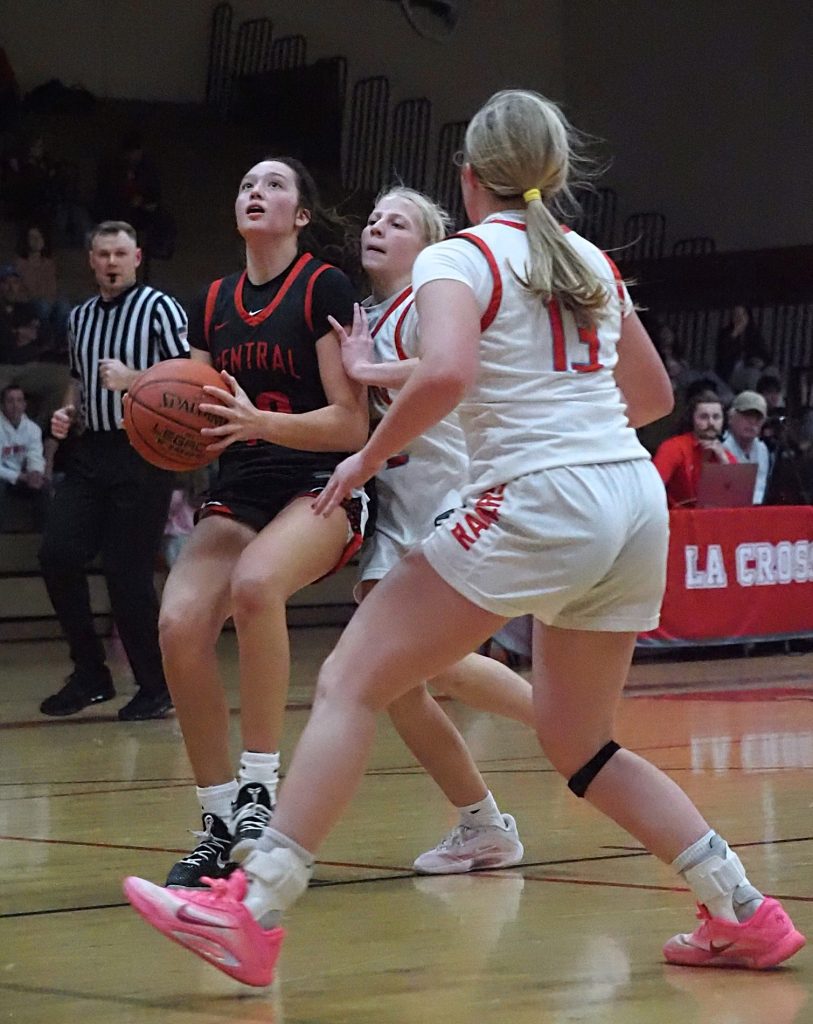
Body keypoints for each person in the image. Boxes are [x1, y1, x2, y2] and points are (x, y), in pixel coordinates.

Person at [124, 90, 805, 984]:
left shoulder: (461, 254)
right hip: (632, 502)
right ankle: (741, 907)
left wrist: (365, 458)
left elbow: (447, 373)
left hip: (538, 495)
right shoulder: (586, 258)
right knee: (583, 743)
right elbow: (649, 400)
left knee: (350, 680)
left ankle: (250, 908)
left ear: (468, 176)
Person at [152, 156, 369, 890]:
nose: (255, 191)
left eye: (273, 184)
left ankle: (258, 787)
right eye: (246, 183)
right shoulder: (210, 301)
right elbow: (192, 410)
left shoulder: (323, 286)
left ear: (301, 214)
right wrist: (168, 424)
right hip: (241, 484)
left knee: (254, 585)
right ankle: (217, 819)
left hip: (322, 482)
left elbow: (349, 423)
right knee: (178, 624)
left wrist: (258, 423)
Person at [337, 185, 531, 873]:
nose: (377, 227)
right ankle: (484, 821)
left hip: (449, 493)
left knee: (419, 667)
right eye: (372, 218)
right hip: (394, 509)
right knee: (404, 680)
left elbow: (446, 370)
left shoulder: (432, 295)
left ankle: (566, 728)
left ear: (426, 242)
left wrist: (367, 370)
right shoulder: (361, 315)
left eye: (397, 221)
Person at [38, 220, 188, 720]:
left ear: (138, 257)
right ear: (91, 260)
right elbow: (78, 381)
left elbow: (190, 379)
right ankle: (91, 674)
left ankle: (155, 686)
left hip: (144, 449)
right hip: (91, 450)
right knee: (56, 553)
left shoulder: (160, 309)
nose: (111, 262)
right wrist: (68, 412)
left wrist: (134, 380)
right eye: (102, 254)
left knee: (127, 574)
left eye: (120, 254)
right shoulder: (79, 317)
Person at [652, 390, 736, 508]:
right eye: (703, 417)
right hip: (677, 519)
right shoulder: (673, 447)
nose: (711, 423)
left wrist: (723, 460)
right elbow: (653, 487)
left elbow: (738, 500)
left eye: (716, 417)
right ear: (692, 419)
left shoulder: (725, 455)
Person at [0, 382, 47, 529]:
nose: (15, 405)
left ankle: (43, 535)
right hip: (4, 476)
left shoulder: (33, 429)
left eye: (19, 400)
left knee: (45, 486)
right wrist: (18, 476)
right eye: (10, 401)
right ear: (2, 405)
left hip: (22, 476)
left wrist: (35, 472)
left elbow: (35, 454)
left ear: (25, 405)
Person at [722, 390, 770, 504]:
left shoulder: (762, 448)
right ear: (731, 417)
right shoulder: (720, 447)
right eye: (747, 416)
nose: (752, 422)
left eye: (757, 418)